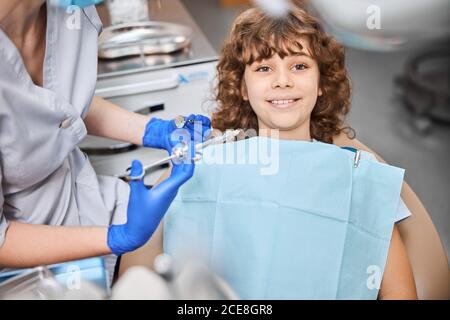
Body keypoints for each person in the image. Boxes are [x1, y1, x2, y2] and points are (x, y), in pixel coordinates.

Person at [135, 5, 418, 299]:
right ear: (243, 88)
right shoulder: (201, 169)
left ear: (320, 82)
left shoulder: (358, 177)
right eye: (263, 68)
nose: (282, 81)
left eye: (299, 66)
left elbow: (400, 292)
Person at [0, 0, 211, 279]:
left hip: (93, 204)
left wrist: (153, 130)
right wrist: (118, 237)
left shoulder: (69, 9)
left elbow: (57, 105)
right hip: (23, 268)